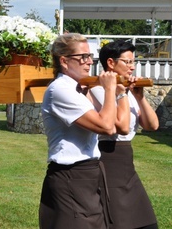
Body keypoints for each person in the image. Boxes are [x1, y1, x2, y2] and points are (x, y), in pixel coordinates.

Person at [39, 33, 127, 229]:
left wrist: (102, 92)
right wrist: (111, 90)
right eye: (83, 57)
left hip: (88, 172)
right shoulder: (60, 90)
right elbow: (106, 126)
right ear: (64, 61)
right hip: (70, 174)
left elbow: (115, 127)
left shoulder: (78, 88)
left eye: (90, 57)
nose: (89, 63)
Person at [88, 40, 159, 229]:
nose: (132, 67)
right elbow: (122, 127)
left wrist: (140, 96)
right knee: (118, 221)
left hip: (126, 161)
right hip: (108, 157)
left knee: (146, 222)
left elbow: (152, 125)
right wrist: (120, 95)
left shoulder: (127, 89)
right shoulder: (98, 87)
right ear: (111, 63)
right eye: (127, 62)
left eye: (133, 62)